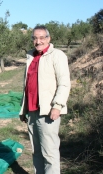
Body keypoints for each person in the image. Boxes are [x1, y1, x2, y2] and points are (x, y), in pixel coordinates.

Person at [19, 25, 71, 174]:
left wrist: (58, 105)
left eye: (42, 37)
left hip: (48, 111)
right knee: (37, 152)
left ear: (49, 38)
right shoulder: (30, 56)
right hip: (32, 111)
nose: (38, 41)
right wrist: (24, 109)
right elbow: (27, 84)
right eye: (35, 38)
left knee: (49, 152)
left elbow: (64, 83)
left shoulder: (57, 55)